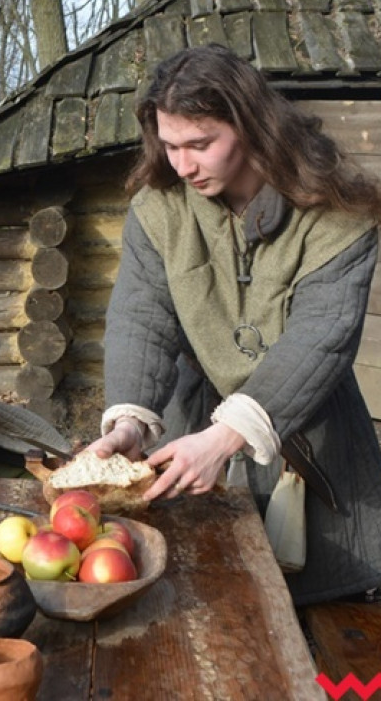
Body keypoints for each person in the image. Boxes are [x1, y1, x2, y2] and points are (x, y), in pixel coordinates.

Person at [86, 43, 381, 606]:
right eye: (170, 145)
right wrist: (128, 422)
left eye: (201, 144)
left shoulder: (338, 212)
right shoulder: (160, 207)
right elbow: (142, 318)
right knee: (193, 600)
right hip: (187, 419)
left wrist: (226, 439)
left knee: (327, 625)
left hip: (312, 432)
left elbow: (320, 339)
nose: (182, 164)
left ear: (250, 128)